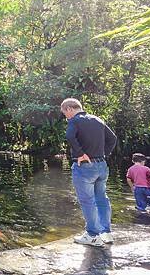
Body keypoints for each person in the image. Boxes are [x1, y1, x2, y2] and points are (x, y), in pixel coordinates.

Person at [61, 98, 117, 247]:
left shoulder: (74, 121)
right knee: (101, 198)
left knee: (87, 200)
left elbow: (69, 136)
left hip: (85, 167)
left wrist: (80, 153)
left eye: (64, 113)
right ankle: (106, 233)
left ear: (69, 109)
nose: (66, 116)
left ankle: (92, 235)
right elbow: (113, 138)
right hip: (101, 165)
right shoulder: (98, 120)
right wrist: (104, 154)